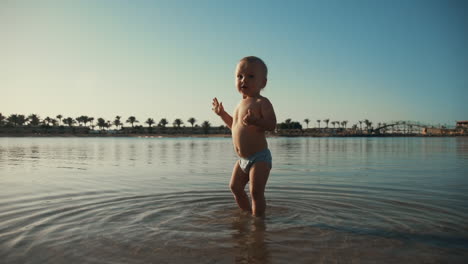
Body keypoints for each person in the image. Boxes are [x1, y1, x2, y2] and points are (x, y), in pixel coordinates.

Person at [212, 56, 277, 217]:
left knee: (255, 192)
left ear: (263, 83)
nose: (243, 80)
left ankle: (258, 223)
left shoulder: (262, 102)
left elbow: (271, 125)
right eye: (239, 76)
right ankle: (247, 214)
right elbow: (234, 126)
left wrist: (257, 121)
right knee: (235, 187)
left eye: (251, 76)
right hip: (242, 160)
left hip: (259, 158)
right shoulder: (240, 104)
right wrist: (222, 114)